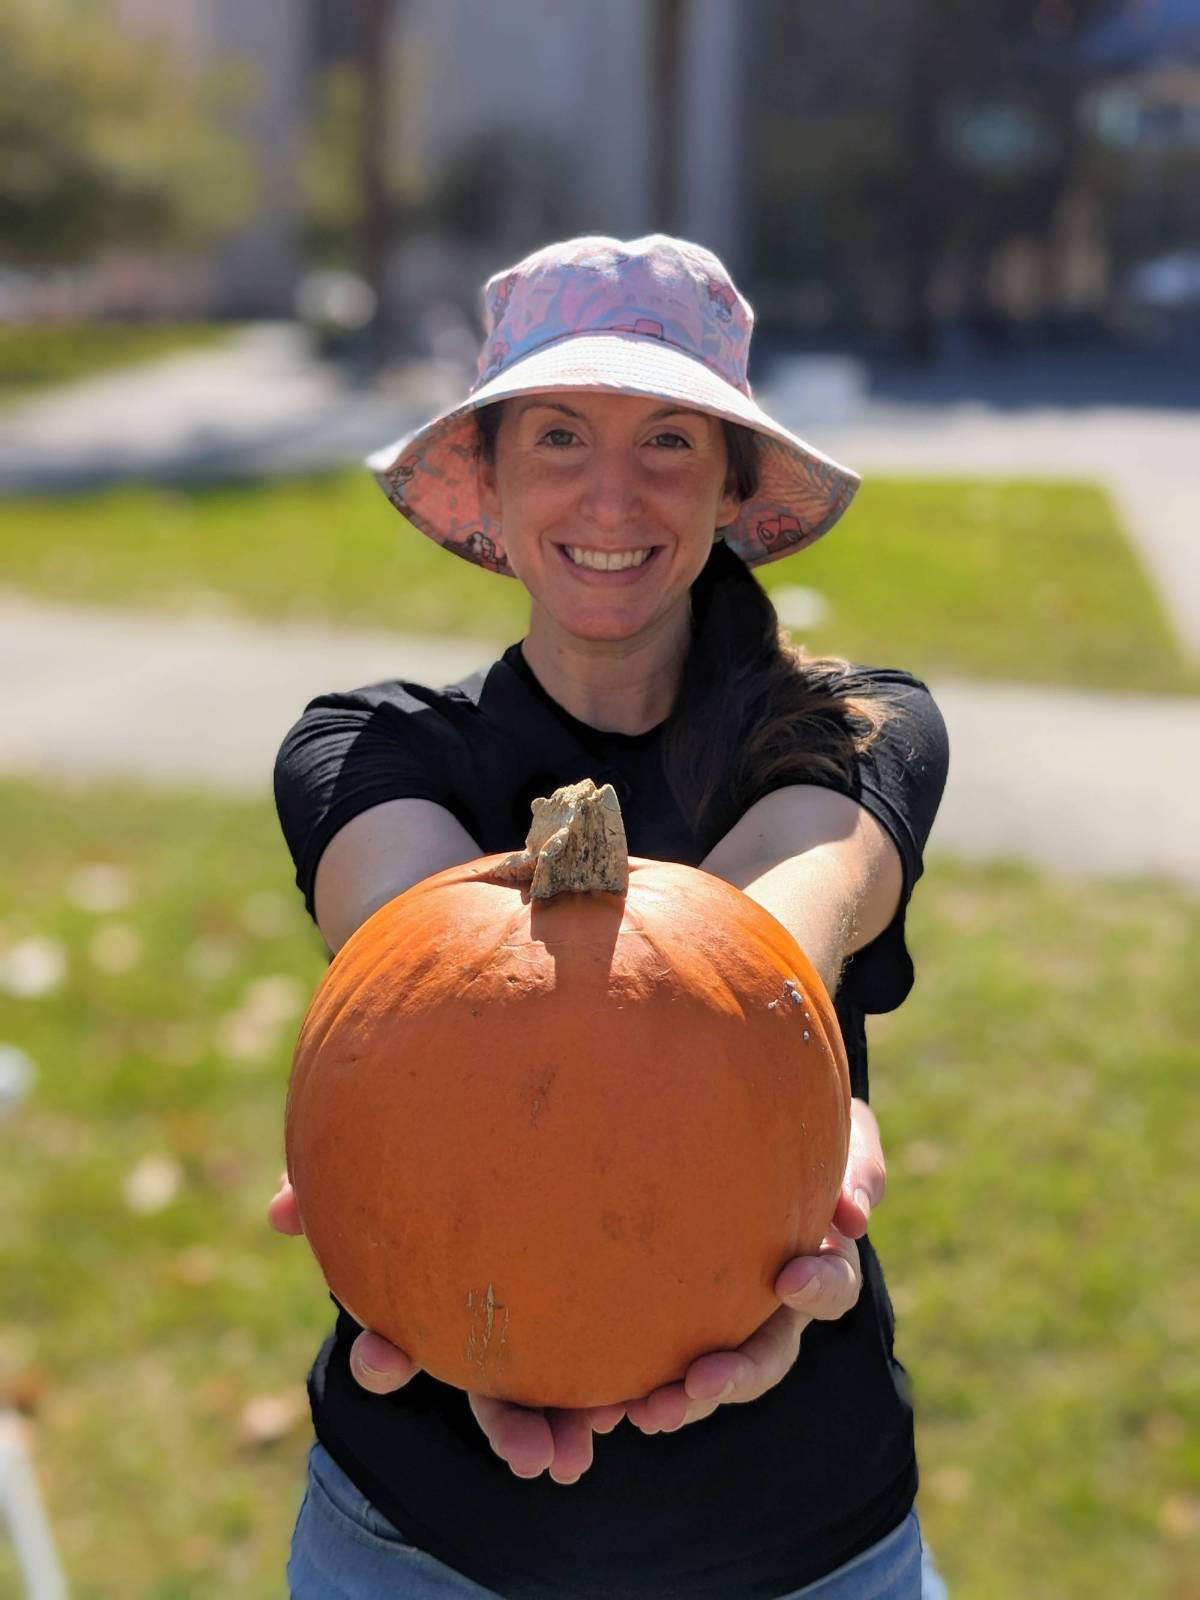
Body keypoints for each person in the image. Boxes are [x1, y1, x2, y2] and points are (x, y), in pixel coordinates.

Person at [269, 234, 951, 1598]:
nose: (612, 491)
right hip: (423, 1543)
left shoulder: (862, 727)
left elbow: (777, 928)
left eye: (672, 443)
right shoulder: (367, 751)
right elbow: (429, 976)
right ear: (497, 480)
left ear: (731, 486)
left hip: (806, 1542)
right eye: (562, 435)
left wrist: (779, 1076)